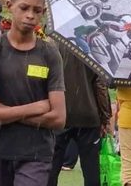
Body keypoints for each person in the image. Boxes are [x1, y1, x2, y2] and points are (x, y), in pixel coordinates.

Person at [0, 0, 66, 186]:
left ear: (43, 12)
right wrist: (36, 108)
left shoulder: (50, 54)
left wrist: (1, 109)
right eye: (24, 8)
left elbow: (59, 118)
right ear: (10, 6)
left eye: (37, 10)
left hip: (37, 155)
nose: (30, 15)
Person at [47, 42, 111, 186]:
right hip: (88, 114)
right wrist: (105, 117)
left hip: (59, 112)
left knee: (51, 166)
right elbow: (100, 85)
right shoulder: (92, 47)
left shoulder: (53, 45)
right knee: (91, 169)